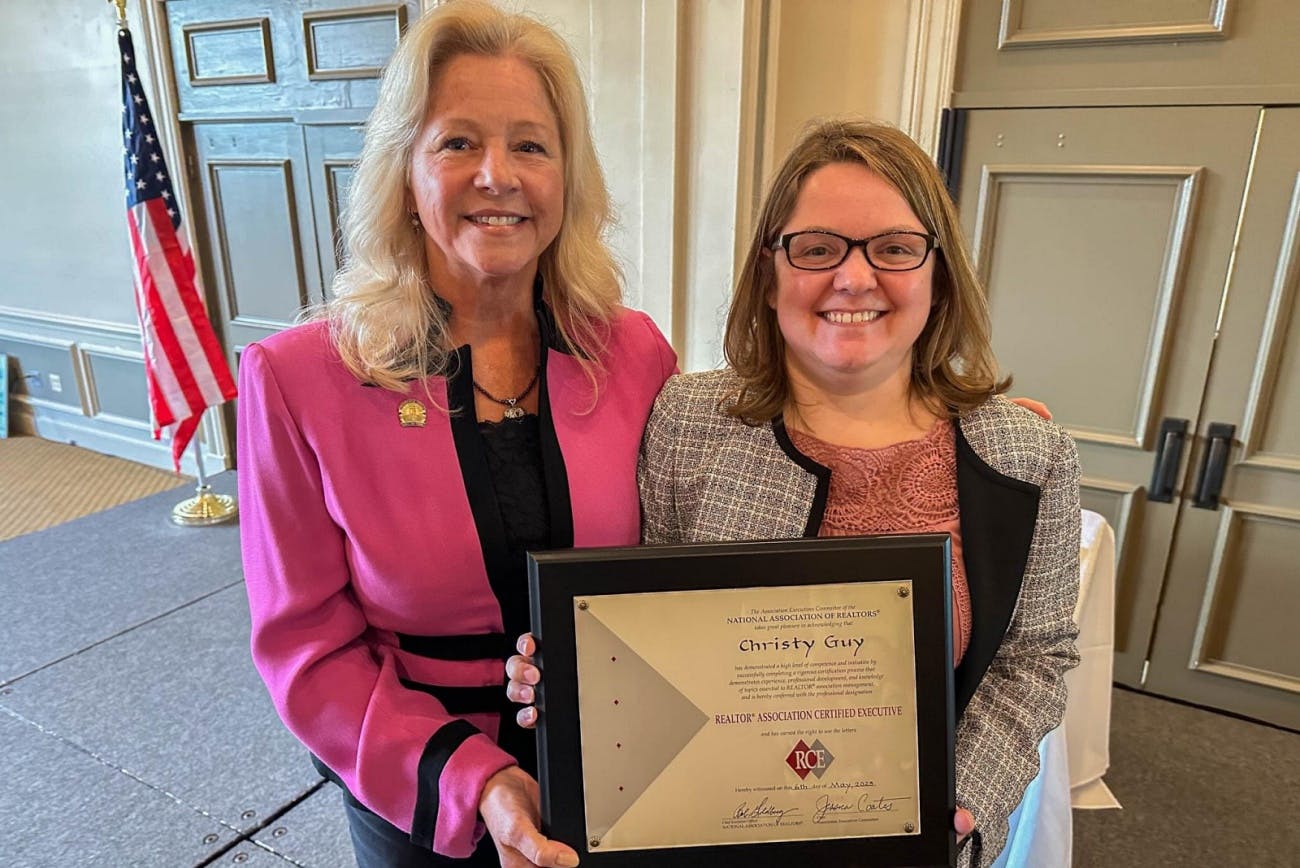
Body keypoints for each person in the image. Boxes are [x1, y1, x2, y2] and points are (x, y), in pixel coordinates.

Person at [507, 119, 1080, 868]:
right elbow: (645, 623)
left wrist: (961, 795)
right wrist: (580, 669)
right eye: (817, 248)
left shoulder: (1029, 456)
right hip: (711, 840)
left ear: (937, 275)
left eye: (896, 248)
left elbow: (1034, 659)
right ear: (770, 272)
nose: (854, 278)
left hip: (923, 845)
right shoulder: (686, 421)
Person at [236, 1, 675, 866]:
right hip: (418, 788)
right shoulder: (297, 381)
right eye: (457, 143)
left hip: (625, 770)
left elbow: (689, 556)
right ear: (405, 172)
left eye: (531, 145)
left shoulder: (634, 353)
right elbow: (308, 649)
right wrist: (479, 782)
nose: (497, 175)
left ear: (567, 177)